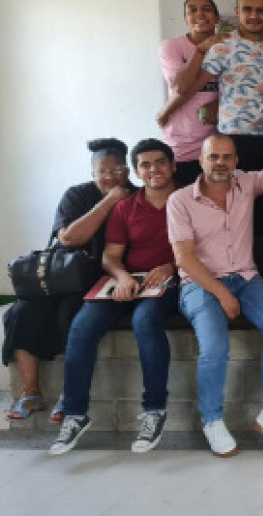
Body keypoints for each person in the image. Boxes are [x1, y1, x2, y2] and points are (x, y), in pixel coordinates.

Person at [167, 134, 263, 456]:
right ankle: (211, 420)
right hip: (200, 283)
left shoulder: (247, 184)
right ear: (201, 160)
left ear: (236, 161)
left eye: (227, 157)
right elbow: (184, 259)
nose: (220, 163)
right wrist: (222, 294)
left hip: (247, 277)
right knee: (215, 345)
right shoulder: (180, 200)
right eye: (214, 157)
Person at [49, 139, 181, 455]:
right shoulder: (125, 206)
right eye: (145, 165)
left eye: (160, 162)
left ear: (173, 165)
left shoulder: (188, 200)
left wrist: (171, 266)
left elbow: (204, 248)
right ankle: (75, 414)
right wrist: (121, 276)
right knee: (82, 325)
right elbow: (111, 256)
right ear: (136, 172)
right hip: (126, 281)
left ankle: (154, 412)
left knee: (145, 320)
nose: (154, 170)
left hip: (170, 280)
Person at [4, 139, 131, 422]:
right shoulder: (76, 194)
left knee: (70, 312)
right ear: (93, 173)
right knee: (21, 312)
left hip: (99, 278)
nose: (110, 176)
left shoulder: (136, 196)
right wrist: (109, 201)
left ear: (128, 170)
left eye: (118, 169)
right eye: (103, 171)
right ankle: (30, 392)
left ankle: (67, 394)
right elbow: (70, 238)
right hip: (60, 274)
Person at [172, 0, 263, 272]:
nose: (254, 16)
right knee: (237, 211)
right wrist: (200, 50)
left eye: (260, 10)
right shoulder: (223, 45)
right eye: (248, 9)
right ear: (237, 12)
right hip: (234, 141)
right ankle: (239, 271)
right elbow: (183, 87)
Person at [155, 0, 220, 187]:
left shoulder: (228, 48)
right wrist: (201, 50)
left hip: (216, 145)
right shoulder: (171, 46)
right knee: (182, 207)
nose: (199, 13)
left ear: (216, 17)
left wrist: (219, 102)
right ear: (186, 19)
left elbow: (237, 88)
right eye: (192, 10)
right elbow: (180, 87)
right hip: (180, 145)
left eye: (206, 9)